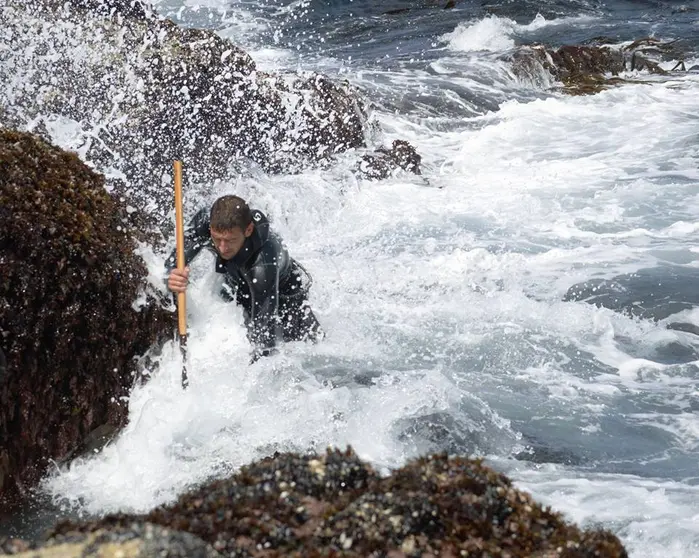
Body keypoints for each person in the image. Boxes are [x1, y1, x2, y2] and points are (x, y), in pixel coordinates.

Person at [165, 195, 323, 362]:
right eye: (217, 239)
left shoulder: (263, 264)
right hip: (236, 284)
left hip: (283, 298)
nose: (222, 248)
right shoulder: (206, 223)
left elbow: (264, 342)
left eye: (230, 240)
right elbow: (170, 266)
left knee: (308, 351)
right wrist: (172, 278)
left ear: (248, 230)